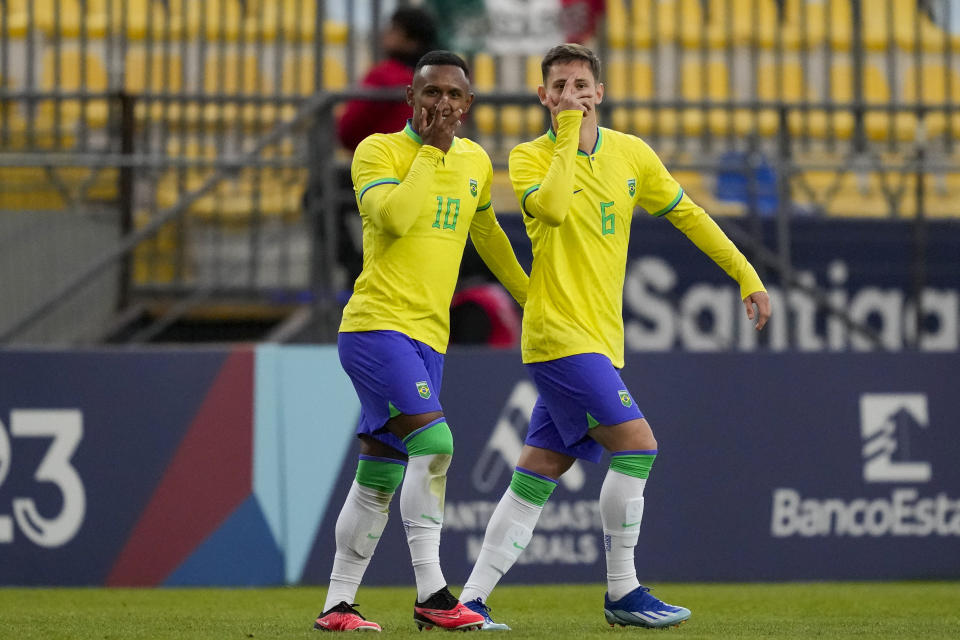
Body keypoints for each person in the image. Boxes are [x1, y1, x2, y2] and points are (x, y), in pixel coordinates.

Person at [458, 44, 772, 631]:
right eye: (559, 86)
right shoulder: (529, 158)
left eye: (582, 85)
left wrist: (746, 274)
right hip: (556, 335)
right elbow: (551, 210)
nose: (571, 94)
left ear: (600, 92)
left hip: (599, 339)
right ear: (543, 97)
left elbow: (689, 214)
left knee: (535, 472)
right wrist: (567, 140)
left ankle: (470, 601)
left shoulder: (631, 154)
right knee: (637, 444)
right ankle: (622, 590)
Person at [313, 50, 529, 633]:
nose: (442, 104)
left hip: (428, 340)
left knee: (380, 472)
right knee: (435, 443)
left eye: (453, 95)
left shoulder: (476, 163)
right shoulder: (378, 152)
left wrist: (534, 298)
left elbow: (488, 238)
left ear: (469, 104)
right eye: (430, 93)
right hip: (376, 327)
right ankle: (433, 595)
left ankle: (337, 605)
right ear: (410, 98)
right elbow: (396, 219)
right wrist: (430, 155)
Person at [336, 7, 439, 151]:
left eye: (393, 30)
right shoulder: (444, 79)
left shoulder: (383, 76)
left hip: (384, 164)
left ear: (412, 41)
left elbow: (348, 130)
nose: (385, 34)